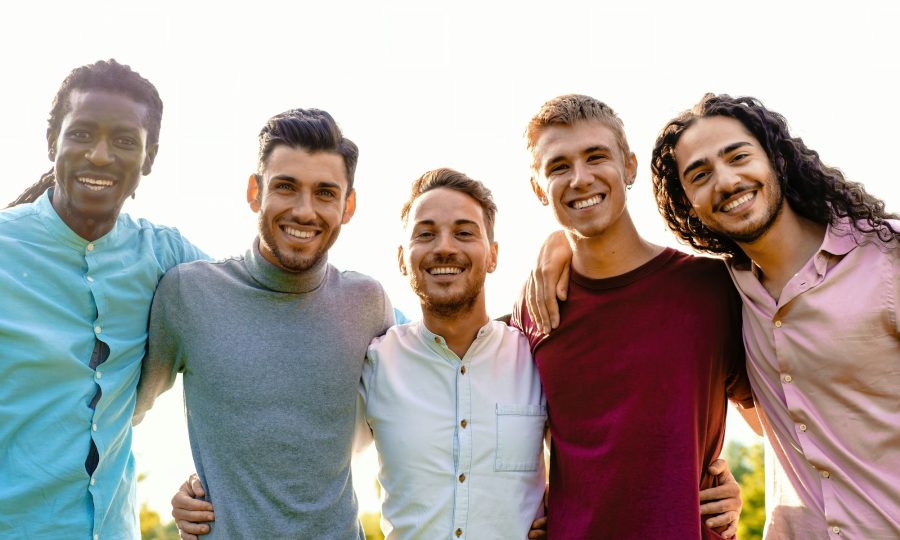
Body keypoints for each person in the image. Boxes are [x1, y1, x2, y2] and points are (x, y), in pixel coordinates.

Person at [133, 108, 394, 539]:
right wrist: (186, 490)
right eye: (286, 187)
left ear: (348, 205)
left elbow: (441, 360)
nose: (304, 211)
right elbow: (122, 414)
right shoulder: (188, 294)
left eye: (326, 193)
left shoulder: (368, 303)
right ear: (255, 192)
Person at [651, 94, 900, 539]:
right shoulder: (726, 294)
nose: (726, 181)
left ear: (777, 158)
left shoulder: (887, 259)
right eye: (701, 175)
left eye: (738, 156)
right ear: (688, 204)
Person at [512, 94, 756, 539]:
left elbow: (783, 423)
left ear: (629, 166)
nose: (580, 179)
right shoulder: (532, 312)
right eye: (558, 166)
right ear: (537, 188)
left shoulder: (711, 289)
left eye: (596, 157)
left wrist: (732, 491)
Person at [0, 59, 206, 539]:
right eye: (81, 135)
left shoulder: (163, 255)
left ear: (149, 158)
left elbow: (257, 300)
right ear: (53, 142)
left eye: (124, 142)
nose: (99, 155)